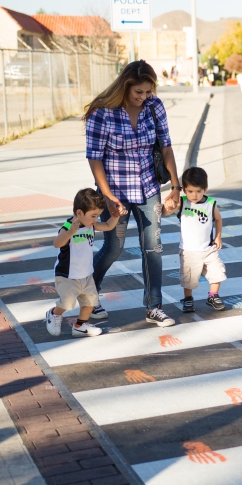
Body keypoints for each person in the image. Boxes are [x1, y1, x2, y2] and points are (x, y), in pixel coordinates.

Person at [84, 60, 182, 327]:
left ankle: (154, 306)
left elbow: (166, 148)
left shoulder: (155, 107)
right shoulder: (102, 112)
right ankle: (88, 296)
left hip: (149, 188)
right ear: (125, 86)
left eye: (148, 92)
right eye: (139, 92)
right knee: (113, 248)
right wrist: (107, 197)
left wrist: (175, 187)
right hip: (114, 192)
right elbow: (95, 159)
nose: (144, 97)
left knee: (153, 248)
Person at [46, 188, 126, 337]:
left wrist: (115, 216)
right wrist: (70, 232)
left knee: (90, 302)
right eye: (93, 216)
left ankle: (80, 325)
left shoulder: (90, 225)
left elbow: (108, 226)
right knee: (67, 303)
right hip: (67, 274)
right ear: (79, 213)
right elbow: (57, 243)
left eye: (98, 216)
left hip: (86, 273)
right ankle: (54, 314)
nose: (96, 219)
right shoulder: (69, 225)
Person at [173, 166, 228, 313]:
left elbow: (218, 219)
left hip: (208, 248)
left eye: (198, 191)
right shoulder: (183, 202)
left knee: (217, 272)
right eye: (190, 191)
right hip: (189, 250)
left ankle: (213, 295)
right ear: (184, 189)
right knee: (189, 278)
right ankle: (188, 298)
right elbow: (168, 210)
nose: (194, 195)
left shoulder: (210, 203)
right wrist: (171, 201)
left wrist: (218, 236)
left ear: (205, 188)